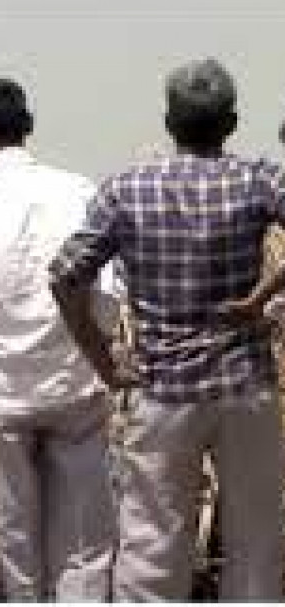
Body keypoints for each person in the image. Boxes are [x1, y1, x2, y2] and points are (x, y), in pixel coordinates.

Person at [50, 58, 285, 601]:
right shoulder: (257, 179)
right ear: (232, 123)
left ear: (169, 122)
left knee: (153, 543)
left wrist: (103, 361)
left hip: (162, 392)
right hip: (245, 386)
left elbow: (64, 277)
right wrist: (260, 298)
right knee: (256, 541)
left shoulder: (126, 189)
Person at [0, 78, 119, 601]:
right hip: (75, 383)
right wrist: (99, 348)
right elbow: (107, 290)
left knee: (15, 534)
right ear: (28, 125)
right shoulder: (78, 190)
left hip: (1, 393)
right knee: (84, 540)